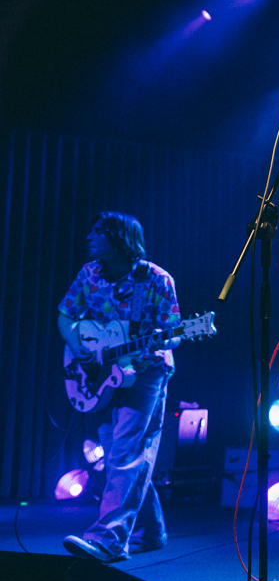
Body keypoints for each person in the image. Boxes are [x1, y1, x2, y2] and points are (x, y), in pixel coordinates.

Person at [59, 211, 180, 563]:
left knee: (125, 453)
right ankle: (153, 531)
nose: (90, 237)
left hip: (146, 373)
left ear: (119, 238)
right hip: (101, 377)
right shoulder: (89, 274)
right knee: (120, 456)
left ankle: (108, 539)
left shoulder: (157, 280)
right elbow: (66, 315)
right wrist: (78, 345)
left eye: (98, 232)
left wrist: (158, 340)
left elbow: (172, 334)